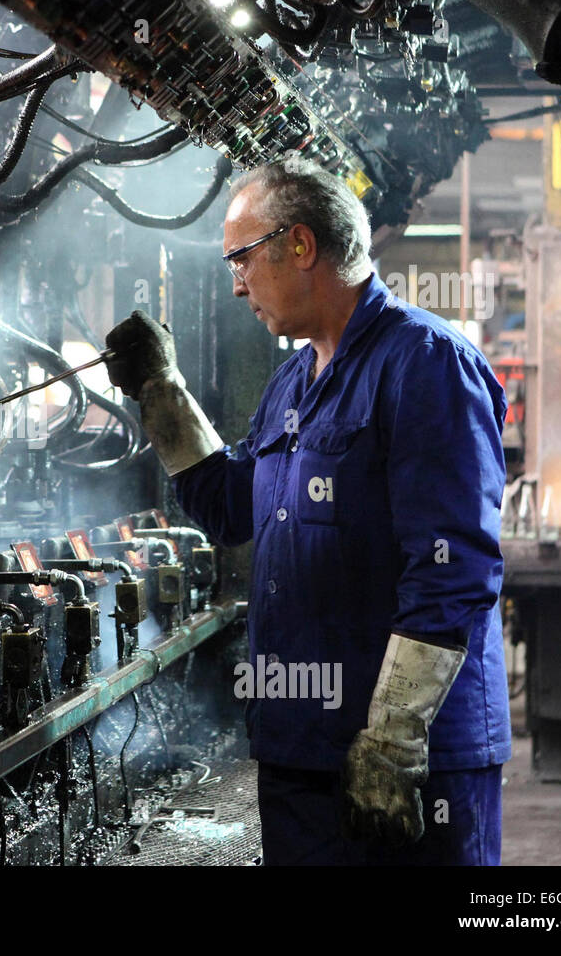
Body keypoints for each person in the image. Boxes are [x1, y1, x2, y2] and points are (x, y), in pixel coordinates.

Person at [103, 155, 511, 865]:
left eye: (240, 258)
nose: (235, 286)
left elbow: (454, 568)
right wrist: (160, 391)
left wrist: (392, 739)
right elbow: (235, 509)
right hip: (302, 751)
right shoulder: (293, 382)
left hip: (408, 766)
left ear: (300, 246)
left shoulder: (426, 363)